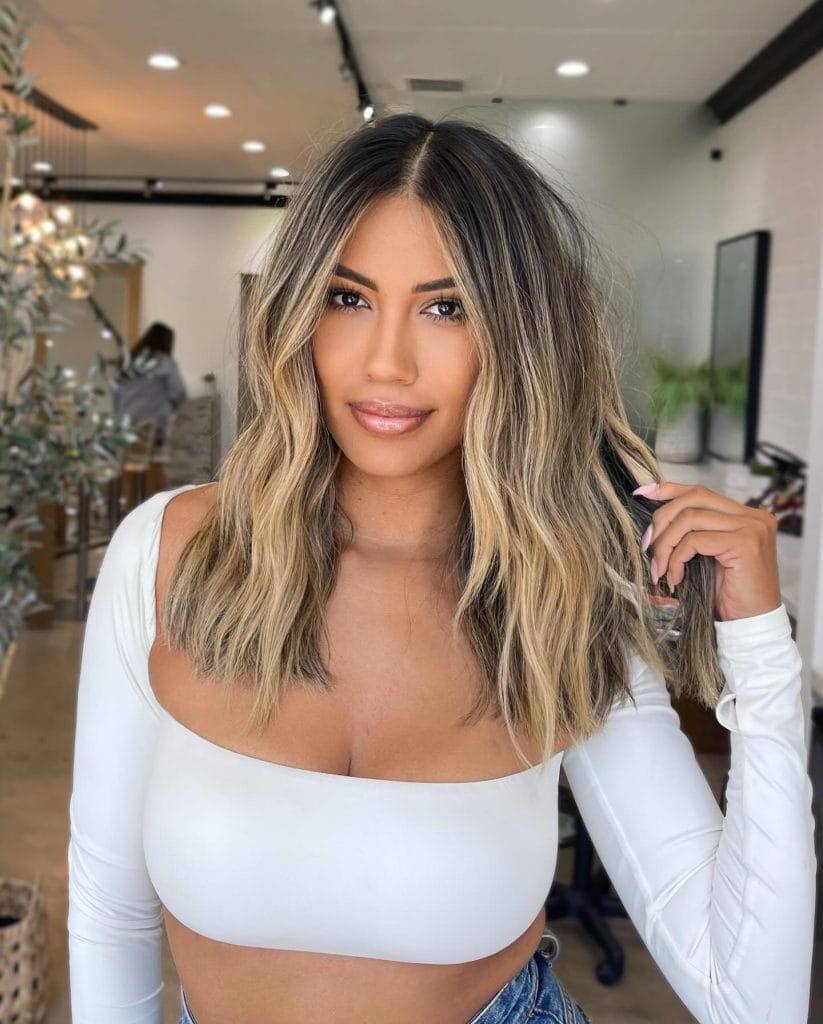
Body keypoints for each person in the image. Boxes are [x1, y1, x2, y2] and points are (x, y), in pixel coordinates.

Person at [67, 114, 815, 1024]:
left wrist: (762, 655)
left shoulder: (562, 598)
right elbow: (109, 912)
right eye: (348, 298)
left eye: (445, 307)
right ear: (298, 312)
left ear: (517, 335)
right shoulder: (169, 554)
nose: (386, 361)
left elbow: (751, 1000)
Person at [114, 321, 187, 447]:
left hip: (124, 428)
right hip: (152, 429)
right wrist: (168, 407)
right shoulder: (164, 362)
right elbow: (179, 392)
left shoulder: (127, 363)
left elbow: (116, 394)